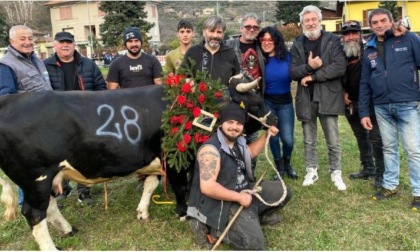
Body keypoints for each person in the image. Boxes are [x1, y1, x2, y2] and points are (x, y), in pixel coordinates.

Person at [186, 102, 291, 250]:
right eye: (230, 122)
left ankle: (255, 216)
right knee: (255, 245)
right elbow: (208, 187)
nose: (234, 127)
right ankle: (215, 227)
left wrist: (266, 134)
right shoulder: (210, 151)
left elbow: (249, 153)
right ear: (221, 124)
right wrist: (239, 197)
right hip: (222, 202)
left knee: (283, 191)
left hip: (243, 190)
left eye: (238, 123)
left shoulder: (237, 142)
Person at [358, 8, 420, 210]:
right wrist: (364, 112)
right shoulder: (369, 48)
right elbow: (365, 83)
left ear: (391, 21)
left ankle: (418, 192)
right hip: (381, 106)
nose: (379, 25)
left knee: (413, 150)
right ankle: (391, 185)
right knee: (389, 148)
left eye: (383, 20)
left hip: (407, 103)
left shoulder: (408, 38)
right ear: (370, 25)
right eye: (374, 22)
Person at [44, 31, 107, 205]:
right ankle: (62, 187)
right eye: (61, 42)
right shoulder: (45, 66)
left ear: (74, 45)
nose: (65, 45)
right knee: (58, 154)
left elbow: (101, 87)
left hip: (84, 117)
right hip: (57, 118)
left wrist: (93, 105)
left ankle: (84, 190)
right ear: (55, 45)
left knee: (84, 153)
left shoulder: (88, 64)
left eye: (69, 42)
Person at [289, 5, 347, 190]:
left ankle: (336, 172)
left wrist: (314, 76)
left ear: (320, 21)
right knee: (308, 138)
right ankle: (311, 170)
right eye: (307, 20)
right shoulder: (297, 43)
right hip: (305, 98)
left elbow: (339, 67)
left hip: (328, 96)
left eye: (313, 19)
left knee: (333, 138)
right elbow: (292, 71)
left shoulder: (333, 40)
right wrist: (309, 67)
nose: (311, 23)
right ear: (302, 23)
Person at [0, 25, 52, 207]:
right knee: (29, 166)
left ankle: (44, 200)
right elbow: (6, 101)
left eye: (30, 38)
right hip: (26, 128)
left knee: (43, 164)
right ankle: (27, 204)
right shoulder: (7, 65)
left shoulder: (36, 60)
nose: (28, 42)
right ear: (11, 41)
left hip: (44, 123)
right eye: (22, 39)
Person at [225, 12, 265, 174]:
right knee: (232, 140)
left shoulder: (262, 47)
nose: (251, 29)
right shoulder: (228, 45)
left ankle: (250, 174)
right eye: (248, 26)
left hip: (254, 102)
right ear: (241, 28)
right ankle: (232, 175)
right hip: (235, 102)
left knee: (252, 137)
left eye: (255, 27)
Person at [257, 26, 297, 180]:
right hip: (268, 103)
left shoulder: (287, 57)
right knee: (273, 136)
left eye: (270, 39)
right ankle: (279, 167)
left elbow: (297, 72)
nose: (266, 42)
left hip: (285, 102)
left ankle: (287, 163)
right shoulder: (260, 59)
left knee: (287, 139)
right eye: (263, 40)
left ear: (276, 41)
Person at [182, 15, 240, 87]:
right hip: (197, 97)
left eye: (219, 32)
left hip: (224, 97)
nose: (215, 35)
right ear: (204, 33)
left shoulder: (230, 53)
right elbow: (182, 77)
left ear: (223, 35)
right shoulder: (192, 52)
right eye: (211, 31)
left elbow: (236, 79)